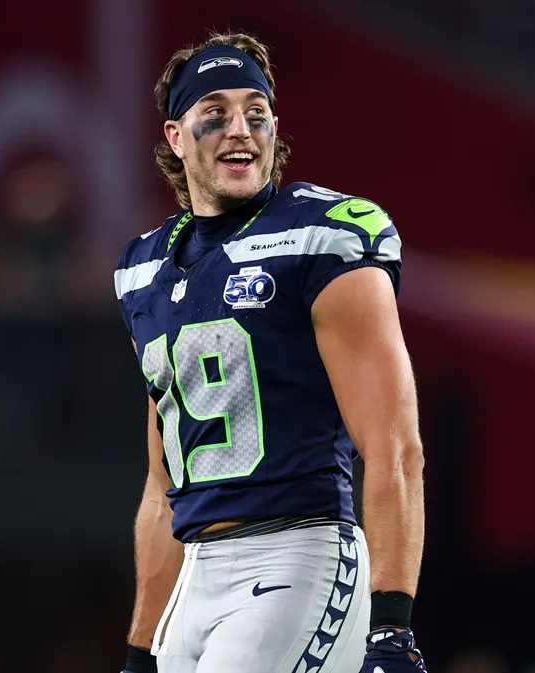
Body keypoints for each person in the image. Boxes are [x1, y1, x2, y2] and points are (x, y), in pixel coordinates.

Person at [113, 31, 427, 673]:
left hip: (299, 554)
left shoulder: (322, 237)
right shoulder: (143, 271)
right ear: (176, 136)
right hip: (196, 574)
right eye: (216, 114)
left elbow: (395, 447)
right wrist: (140, 647)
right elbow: (162, 485)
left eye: (256, 114)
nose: (240, 130)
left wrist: (392, 626)